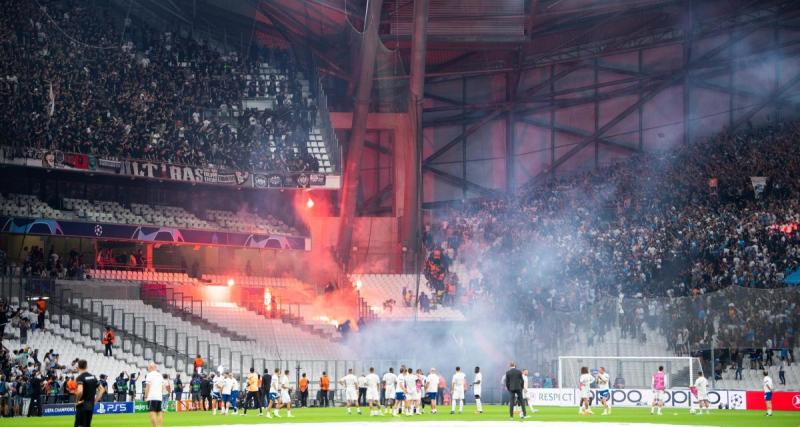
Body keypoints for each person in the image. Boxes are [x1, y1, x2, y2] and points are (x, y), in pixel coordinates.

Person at [74, 360, 103, 427]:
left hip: (82, 405)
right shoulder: (93, 377)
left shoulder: (80, 378)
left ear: (78, 367)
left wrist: (77, 401)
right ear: (86, 366)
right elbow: (101, 389)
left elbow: (80, 391)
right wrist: (95, 401)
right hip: (90, 406)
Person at [144, 362, 164, 427]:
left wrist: (145, 396)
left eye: (148, 367)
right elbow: (162, 387)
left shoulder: (149, 375)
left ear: (150, 367)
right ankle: (160, 426)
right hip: (159, 396)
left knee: (151, 412)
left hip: (152, 396)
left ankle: (155, 426)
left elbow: (147, 386)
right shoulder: (160, 375)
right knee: (159, 412)